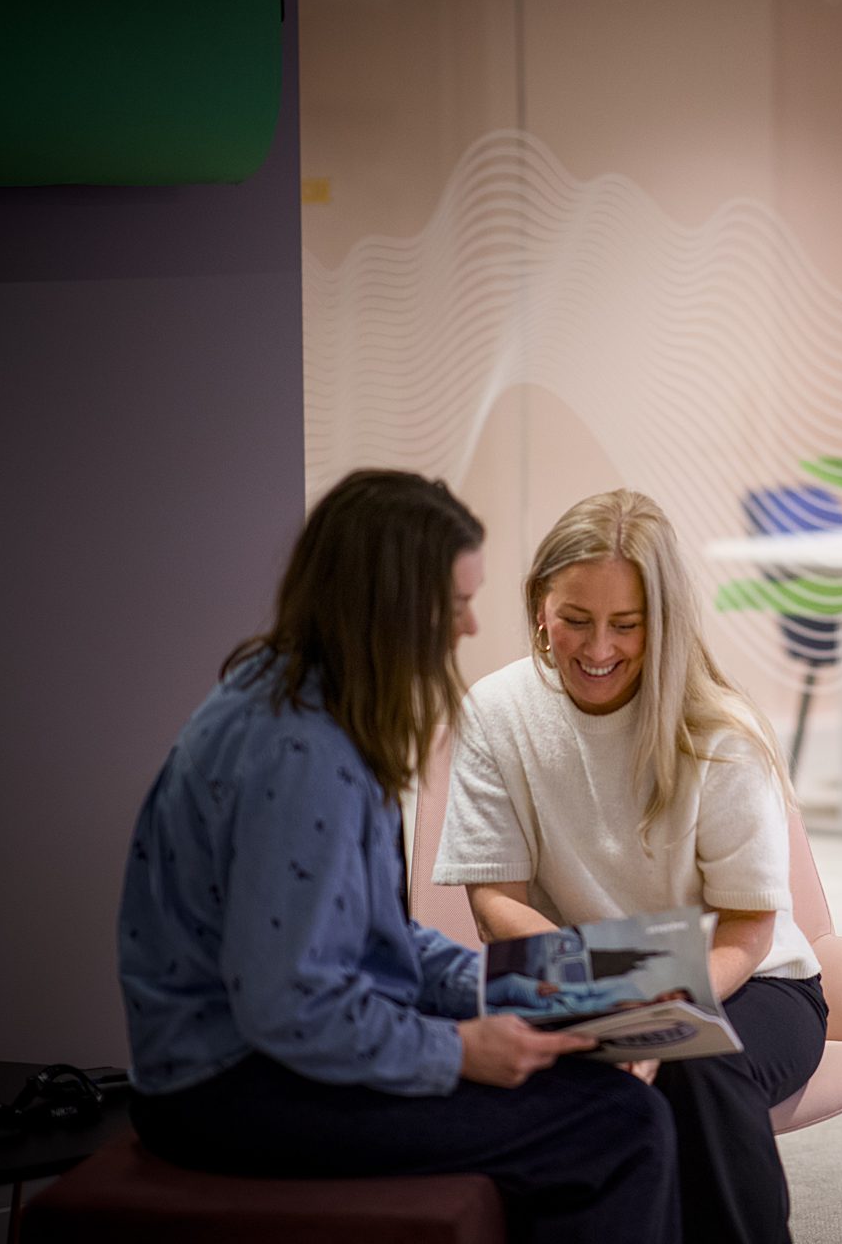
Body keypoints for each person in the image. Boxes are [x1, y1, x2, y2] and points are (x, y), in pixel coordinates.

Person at [117, 470, 678, 1244]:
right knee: (620, 1125)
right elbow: (292, 1007)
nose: (472, 627)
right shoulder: (303, 752)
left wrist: (502, 983)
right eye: (455, 605)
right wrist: (458, 1050)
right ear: (387, 605)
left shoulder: (303, 695)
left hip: (255, 1060)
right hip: (227, 1087)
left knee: (597, 1067)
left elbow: (373, 934)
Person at [434, 488, 826, 1244]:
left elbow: (748, 929)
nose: (598, 648)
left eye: (626, 624)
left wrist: (647, 1011)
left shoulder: (719, 729)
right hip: (578, 973)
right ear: (539, 605)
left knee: (693, 1064)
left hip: (755, 980)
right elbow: (493, 904)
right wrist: (610, 996)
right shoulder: (495, 710)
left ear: (663, 622)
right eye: (575, 619)